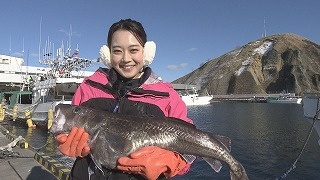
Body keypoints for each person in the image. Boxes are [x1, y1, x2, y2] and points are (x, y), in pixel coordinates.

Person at [55, 18, 194, 180]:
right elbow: (70, 129)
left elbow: (191, 144)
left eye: (133, 50)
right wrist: (63, 141)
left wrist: (171, 161)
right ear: (108, 54)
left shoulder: (167, 95)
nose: (126, 59)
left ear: (146, 52)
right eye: (117, 51)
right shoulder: (89, 86)